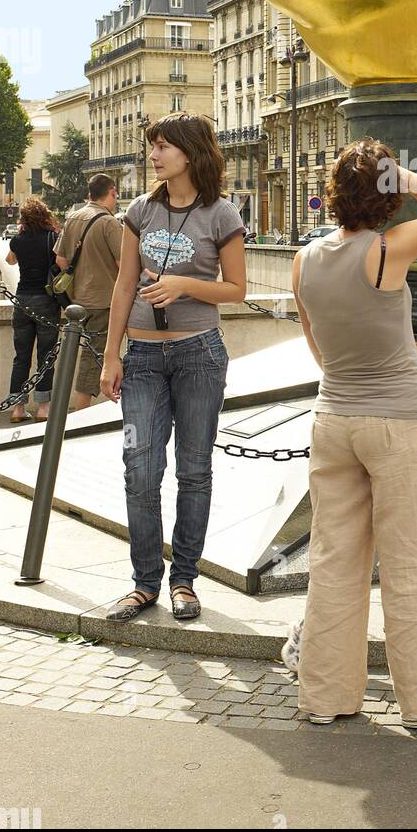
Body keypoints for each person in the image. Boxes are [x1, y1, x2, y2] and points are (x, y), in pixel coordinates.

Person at [292, 139, 417, 729]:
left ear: (335, 195)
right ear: (386, 195)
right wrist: (406, 175)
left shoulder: (305, 259)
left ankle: (325, 697)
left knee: (334, 562)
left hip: (332, 417)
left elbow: (314, 340)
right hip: (398, 423)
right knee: (410, 563)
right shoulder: (389, 250)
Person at [100, 114, 246, 622]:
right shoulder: (140, 210)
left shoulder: (221, 214)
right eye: (152, 147)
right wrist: (109, 355)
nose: (154, 155)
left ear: (190, 151)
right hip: (140, 357)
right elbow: (122, 286)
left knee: (194, 470)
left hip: (197, 354)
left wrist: (184, 286)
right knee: (139, 469)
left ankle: (184, 580)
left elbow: (235, 290)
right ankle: (144, 583)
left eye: (163, 146)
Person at [280, 339, 417, 675]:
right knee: (349, 574)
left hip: (397, 511)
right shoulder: (385, 413)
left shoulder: (416, 410)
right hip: (371, 510)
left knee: (397, 578)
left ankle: (410, 650)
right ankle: (306, 636)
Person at [54, 173, 123, 411]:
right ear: (112, 191)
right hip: (103, 300)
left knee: (75, 353)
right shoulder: (109, 222)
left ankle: (64, 408)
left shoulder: (73, 217)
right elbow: (124, 265)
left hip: (77, 301)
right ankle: (80, 414)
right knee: (93, 359)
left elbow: (61, 260)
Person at [5, 197, 61, 423]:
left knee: (21, 357)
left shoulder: (17, 240)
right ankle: (43, 408)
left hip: (22, 300)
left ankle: (18, 409)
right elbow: (62, 263)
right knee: (46, 356)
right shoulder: (52, 238)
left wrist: (20, 235)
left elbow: (10, 262)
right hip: (46, 300)